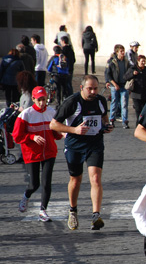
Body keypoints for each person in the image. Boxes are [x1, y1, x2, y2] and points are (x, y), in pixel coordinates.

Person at [49, 75, 114, 230]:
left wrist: (107, 126)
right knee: (75, 180)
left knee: (96, 178)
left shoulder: (100, 100)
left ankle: (96, 215)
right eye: (89, 88)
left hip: (95, 144)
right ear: (81, 88)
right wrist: (74, 130)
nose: (93, 91)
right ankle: (73, 210)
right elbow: (53, 125)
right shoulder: (72, 102)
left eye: (95, 88)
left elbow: (104, 117)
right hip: (75, 146)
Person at [13, 86, 62, 222]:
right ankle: (26, 196)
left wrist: (62, 133)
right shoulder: (25, 114)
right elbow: (17, 136)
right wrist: (32, 137)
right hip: (32, 153)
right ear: (33, 99)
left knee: (47, 183)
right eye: (39, 100)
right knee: (34, 184)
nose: (42, 102)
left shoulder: (52, 112)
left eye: (44, 99)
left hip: (50, 152)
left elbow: (55, 134)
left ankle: (43, 210)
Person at [105, 44, 133, 128]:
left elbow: (130, 71)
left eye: (123, 51)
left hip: (124, 85)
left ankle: (125, 121)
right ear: (117, 52)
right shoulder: (112, 61)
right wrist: (113, 83)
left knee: (124, 103)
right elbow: (108, 74)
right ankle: (112, 119)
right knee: (114, 102)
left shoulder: (126, 61)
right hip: (115, 85)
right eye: (121, 51)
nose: (123, 53)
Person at [124, 54, 146, 123]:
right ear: (138, 61)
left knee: (145, 110)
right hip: (136, 94)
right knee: (138, 110)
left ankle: (143, 124)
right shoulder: (133, 69)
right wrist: (133, 74)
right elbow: (125, 77)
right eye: (142, 61)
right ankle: (138, 125)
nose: (143, 63)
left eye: (144, 61)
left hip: (145, 94)